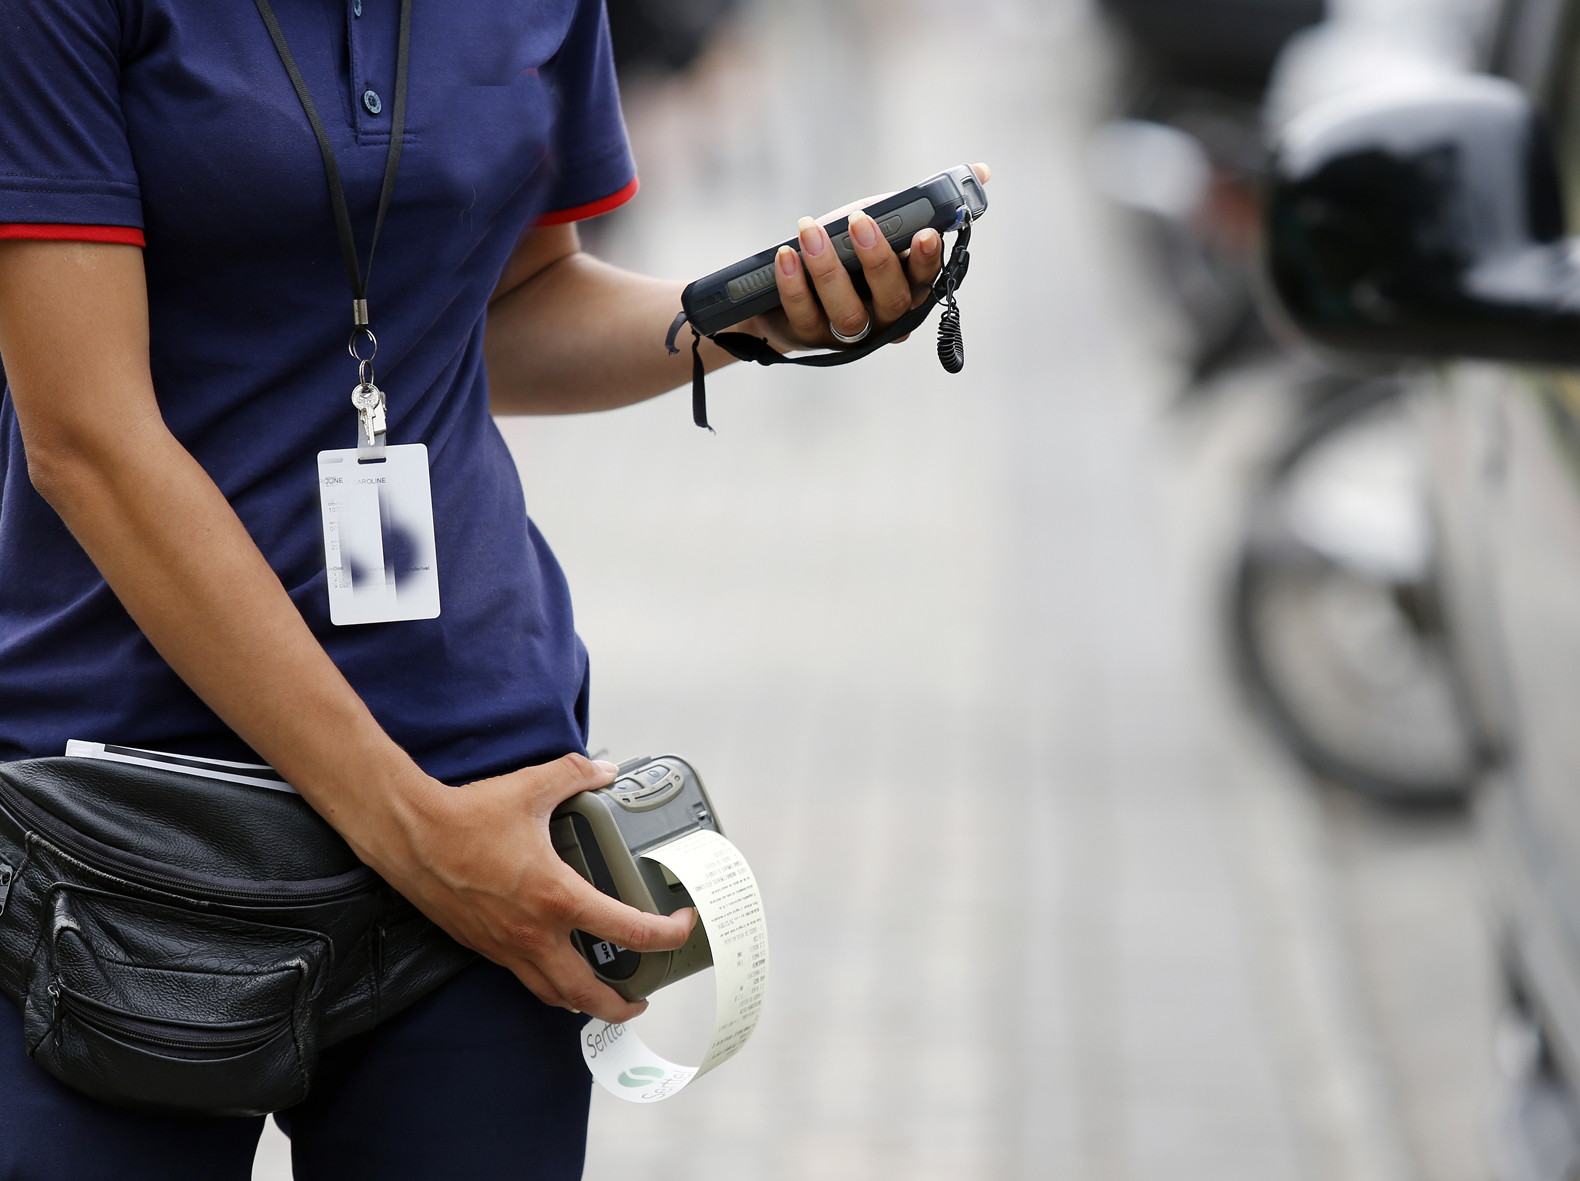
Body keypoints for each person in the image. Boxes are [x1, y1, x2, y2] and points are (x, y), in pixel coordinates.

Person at [0, 0, 987, 1175]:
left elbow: (507, 306)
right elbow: (88, 437)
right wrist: (413, 830)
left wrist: (752, 312)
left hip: (489, 789)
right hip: (131, 812)